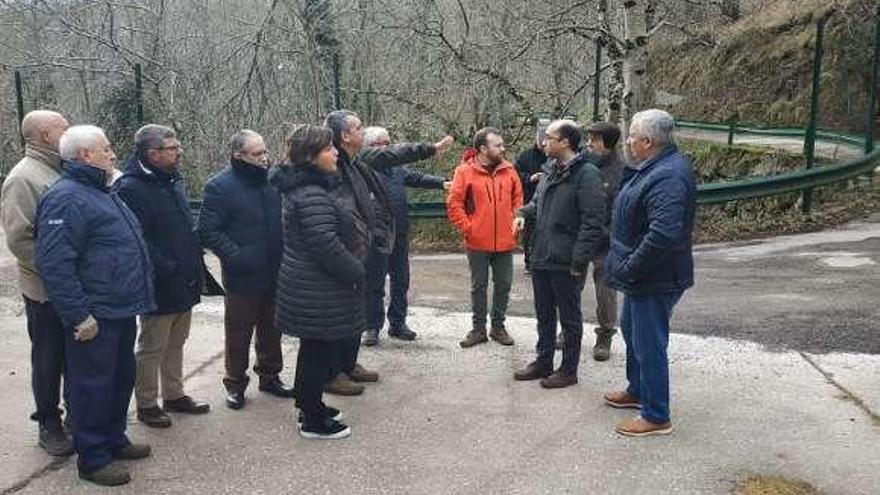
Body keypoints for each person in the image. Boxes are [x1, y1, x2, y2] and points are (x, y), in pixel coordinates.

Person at [36, 125, 154, 485]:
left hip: (120, 307)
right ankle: (93, 457)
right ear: (85, 155)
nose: (113, 154)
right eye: (106, 149)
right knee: (92, 386)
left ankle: (113, 438)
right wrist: (78, 315)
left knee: (120, 379)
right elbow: (55, 264)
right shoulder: (67, 197)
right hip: (95, 314)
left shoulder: (102, 191)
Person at [603, 109, 697, 437]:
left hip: (654, 276)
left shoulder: (668, 175)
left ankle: (656, 415)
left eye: (632, 136)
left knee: (649, 343)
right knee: (632, 329)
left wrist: (630, 267)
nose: (627, 141)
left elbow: (663, 235)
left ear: (648, 141)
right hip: (644, 274)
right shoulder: (654, 166)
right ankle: (638, 389)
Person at [271, 124, 364, 439]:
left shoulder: (309, 188)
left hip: (312, 286)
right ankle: (312, 420)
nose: (335, 152)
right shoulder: (311, 194)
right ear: (310, 157)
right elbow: (326, 245)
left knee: (313, 349)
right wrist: (356, 271)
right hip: (317, 288)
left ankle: (307, 404)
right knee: (318, 351)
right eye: (328, 149)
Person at [116, 125, 210, 428]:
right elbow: (137, 238)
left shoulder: (172, 180)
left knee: (177, 340)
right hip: (160, 281)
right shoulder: (130, 188)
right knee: (152, 345)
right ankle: (146, 403)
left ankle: (174, 394)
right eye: (172, 148)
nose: (179, 152)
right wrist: (167, 267)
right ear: (152, 154)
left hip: (185, 276)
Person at [198, 130, 294, 410]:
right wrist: (236, 256)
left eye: (265, 152)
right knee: (239, 332)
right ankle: (235, 383)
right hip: (242, 274)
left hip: (276, 268)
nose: (264, 158)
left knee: (272, 327)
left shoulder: (273, 180)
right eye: (256, 154)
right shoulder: (220, 186)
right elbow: (208, 230)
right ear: (238, 156)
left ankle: (270, 375)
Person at [512, 120, 606, 388]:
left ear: (565, 142)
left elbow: (593, 221)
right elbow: (538, 203)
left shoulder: (586, 174)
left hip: (566, 260)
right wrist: (521, 213)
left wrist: (579, 260)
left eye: (549, 138)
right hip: (542, 254)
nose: (544, 142)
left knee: (569, 317)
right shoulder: (550, 169)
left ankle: (568, 370)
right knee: (544, 314)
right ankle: (543, 362)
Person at [0, 110, 73, 456]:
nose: (69, 131)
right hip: (45, 291)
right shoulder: (23, 178)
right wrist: (59, 273)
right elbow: (20, 239)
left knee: (77, 357)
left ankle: (78, 418)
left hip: (73, 287)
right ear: (46, 135)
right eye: (64, 128)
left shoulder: (61, 168)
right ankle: (49, 423)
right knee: (49, 358)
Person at [359, 126, 452, 346]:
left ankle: (398, 323)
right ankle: (371, 326)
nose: (386, 147)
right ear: (370, 148)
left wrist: (441, 183)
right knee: (374, 282)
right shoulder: (364, 168)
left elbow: (416, 177)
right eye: (380, 143)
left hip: (399, 232)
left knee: (401, 280)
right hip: (376, 235)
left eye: (388, 142)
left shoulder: (397, 169)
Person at [447, 127, 523, 348]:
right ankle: (478, 329)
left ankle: (498, 327)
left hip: (505, 241)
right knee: (478, 286)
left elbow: (518, 199)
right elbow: (454, 203)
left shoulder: (509, 171)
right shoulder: (465, 171)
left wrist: (516, 220)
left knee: (504, 284)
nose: (502, 148)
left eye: (502, 144)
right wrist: (469, 227)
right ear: (482, 148)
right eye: (497, 145)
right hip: (477, 241)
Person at [557, 121, 625, 361]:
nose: (589, 143)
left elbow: (621, 211)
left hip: (606, 243)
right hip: (579, 239)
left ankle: (605, 335)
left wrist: (608, 234)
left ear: (607, 143)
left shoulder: (621, 171)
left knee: (605, 292)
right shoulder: (582, 163)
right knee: (571, 287)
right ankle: (568, 330)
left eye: (594, 139)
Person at [514, 119, 549, 275]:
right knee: (529, 234)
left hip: (549, 202)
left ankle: (542, 261)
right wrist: (530, 178)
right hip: (530, 198)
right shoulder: (526, 156)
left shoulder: (554, 157)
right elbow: (515, 175)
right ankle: (529, 262)